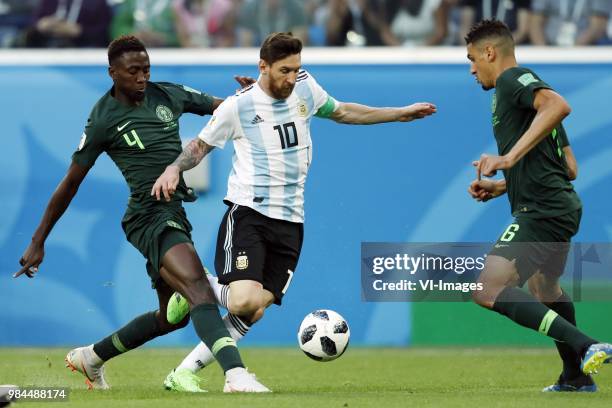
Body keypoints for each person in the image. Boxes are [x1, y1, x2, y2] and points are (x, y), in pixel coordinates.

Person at [152, 31, 437, 392]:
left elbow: (343, 110)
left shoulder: (304, 86)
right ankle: (195, 284)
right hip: (249, 214)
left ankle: (184, 372)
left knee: (253, 310)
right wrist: (175, 168)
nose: (291, 77)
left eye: (296, 69)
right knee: (241, 299)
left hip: (291, 221)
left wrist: (398, 114)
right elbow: (201, 145)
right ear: (263, 67)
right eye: (284, 70)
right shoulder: (238, 106)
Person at [15, 35, 269, 393]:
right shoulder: (104, 119)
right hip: (147, 218)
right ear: (113, 73)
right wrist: (38, 240)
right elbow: (70, 183)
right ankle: (235, 375)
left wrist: (247, 98)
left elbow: (222, 108)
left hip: (175, 213)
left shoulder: (167, 94)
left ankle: (91, 357)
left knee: (171, 318)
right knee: (198, 286)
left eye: (146, 69)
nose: (142, 77)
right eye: (133, 71)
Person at [465, 19, 612, 392]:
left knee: (486, 289)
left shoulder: (515, 81)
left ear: (490, 52)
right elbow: (570, 167)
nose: (471, 68)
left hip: (542, 209)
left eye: (472, 59)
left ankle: (588, 346)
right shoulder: (525, 103)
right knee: (545, 289)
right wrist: (502, 186)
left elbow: (560, 106)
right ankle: (576, 378)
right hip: (560, 205)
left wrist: (509, 159)